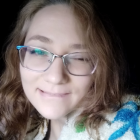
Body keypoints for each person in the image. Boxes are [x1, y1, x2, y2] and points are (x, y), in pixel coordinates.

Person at [0, 0, 139, 139]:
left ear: (102, 67)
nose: (55, 77)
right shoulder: (12, 119)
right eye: (38, 52)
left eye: (80, 58)